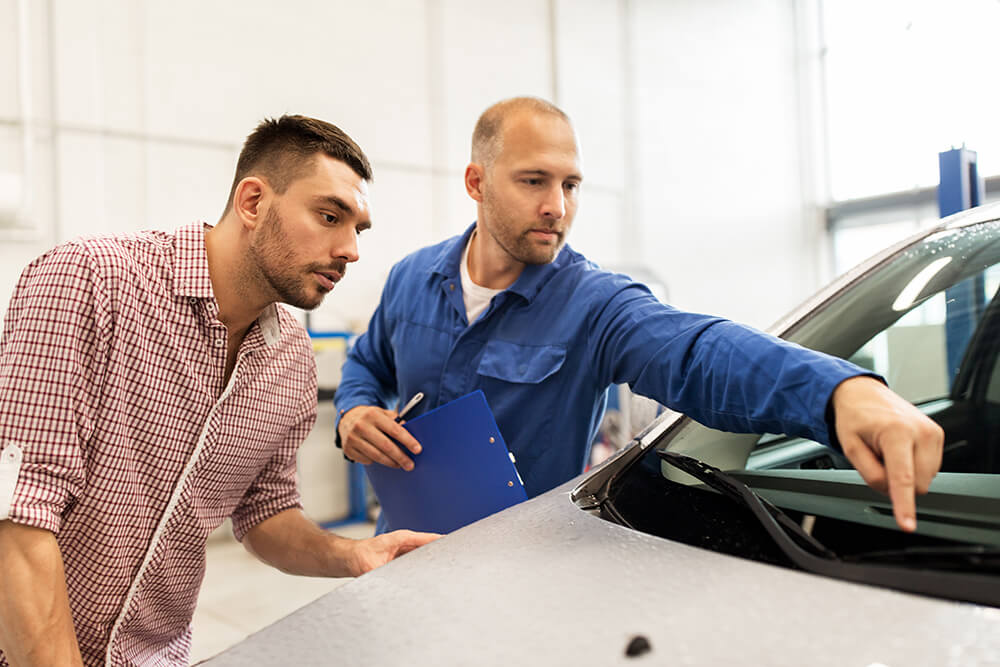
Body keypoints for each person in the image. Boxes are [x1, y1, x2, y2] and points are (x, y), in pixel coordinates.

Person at [335, 96, 943, 537]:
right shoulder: (413, 279)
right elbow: (367, 362)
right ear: (477, 181)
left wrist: (838, 392)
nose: (557, 207)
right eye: (533, 181)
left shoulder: (593, 303)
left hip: (515, 564)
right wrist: (354, 412)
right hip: (401, 545)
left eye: (571, 184)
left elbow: (695, 350)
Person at [0, 115, 437, 667]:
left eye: (358, 230)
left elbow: (266, 515)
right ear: (253, 202)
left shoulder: (289, 361)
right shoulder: (90, 280)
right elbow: (17, 512)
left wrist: (354, 554)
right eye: (330, 217)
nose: (350, 250)